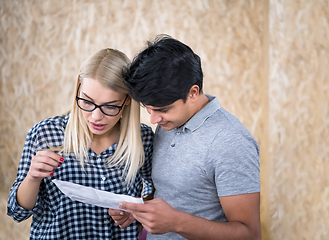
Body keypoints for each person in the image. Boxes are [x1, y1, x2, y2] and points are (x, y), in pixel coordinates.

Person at [109, 35, 261, 239]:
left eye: (161, 109)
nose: (153, 119)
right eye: (148, 109)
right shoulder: (170, 121)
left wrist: (176, 222)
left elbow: (249, 234)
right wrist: (140, 210)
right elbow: (174, 195)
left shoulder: (230, 142)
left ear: (193, 93)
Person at [7, 48, 154, 239]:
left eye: (110, 106)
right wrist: (32, 178)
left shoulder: (144, 138)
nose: (96, 117)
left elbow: (155, 197)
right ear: (78, 88)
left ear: (128, 100)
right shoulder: (45, 134)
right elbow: (17, 212)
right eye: (87, 101)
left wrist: (136, 210)